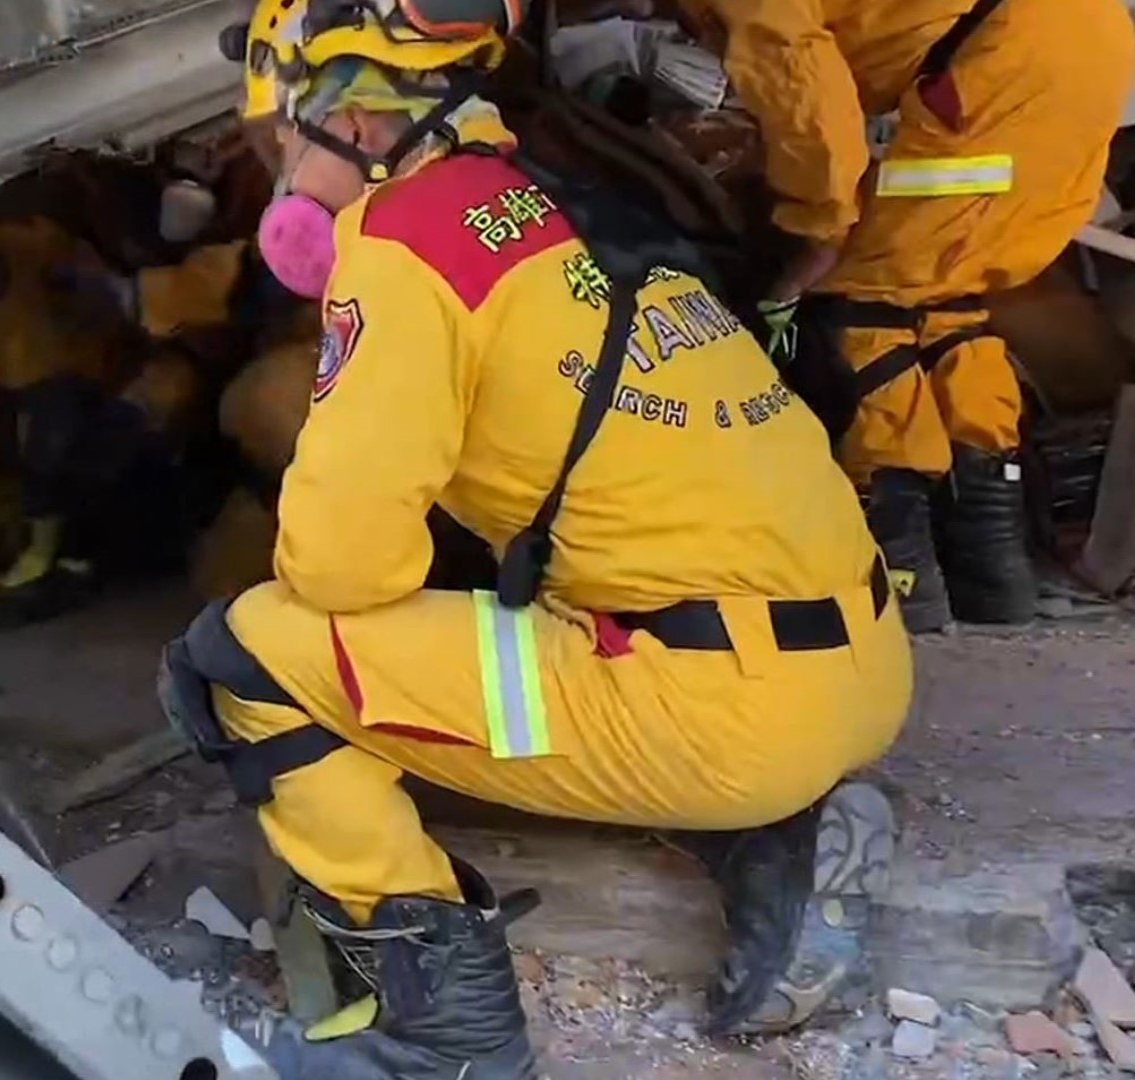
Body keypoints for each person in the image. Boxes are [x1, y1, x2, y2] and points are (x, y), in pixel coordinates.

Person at [161, 1, 914, 1075]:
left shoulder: (404, 237)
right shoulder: (561, 203)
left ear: (358, 127)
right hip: (861, 666)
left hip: (721, 707)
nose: (279, 174)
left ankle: (443, 1032)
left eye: (281, 139)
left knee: (246, 653)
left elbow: (341, 566)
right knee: (577, 604)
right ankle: (776, 842)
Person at [679, 0, 1135, 631]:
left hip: (1001, 64)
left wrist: (818, 227)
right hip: (1087, 48)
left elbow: (808, 102)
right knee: (949, 302)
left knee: (861, 302)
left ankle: (902, 569)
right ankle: (994, 571)